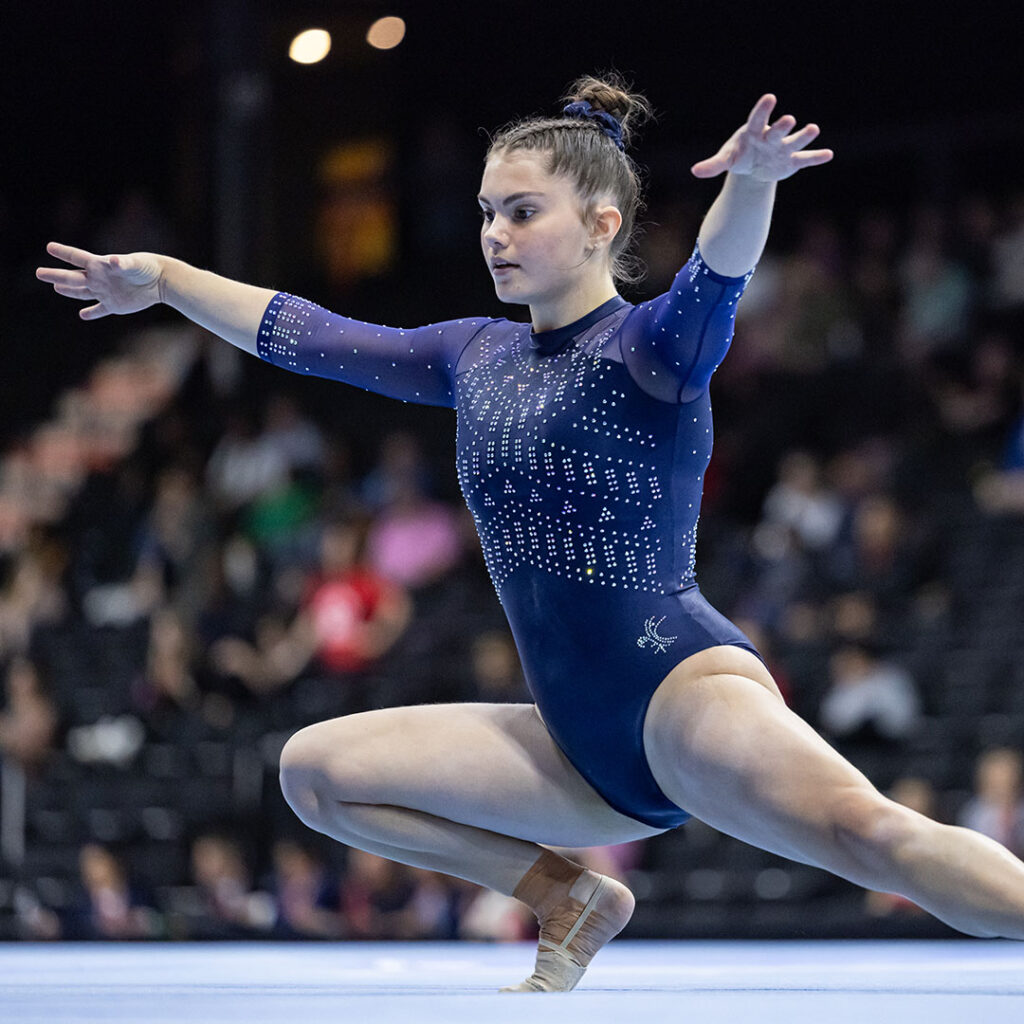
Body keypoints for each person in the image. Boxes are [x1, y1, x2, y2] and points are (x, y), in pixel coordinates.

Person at [36, 74, 1024, 992]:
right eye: (485, 212)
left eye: (521, 211)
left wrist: (755, 180)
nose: (494, 234)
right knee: (316, 775)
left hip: (680, 698)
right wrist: (168, 279)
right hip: (571, 746)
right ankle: (567, 895)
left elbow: (717, 273)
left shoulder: (650, 349)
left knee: (872, 837)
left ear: (600, 224)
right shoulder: (473, 353)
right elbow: (307, 335)